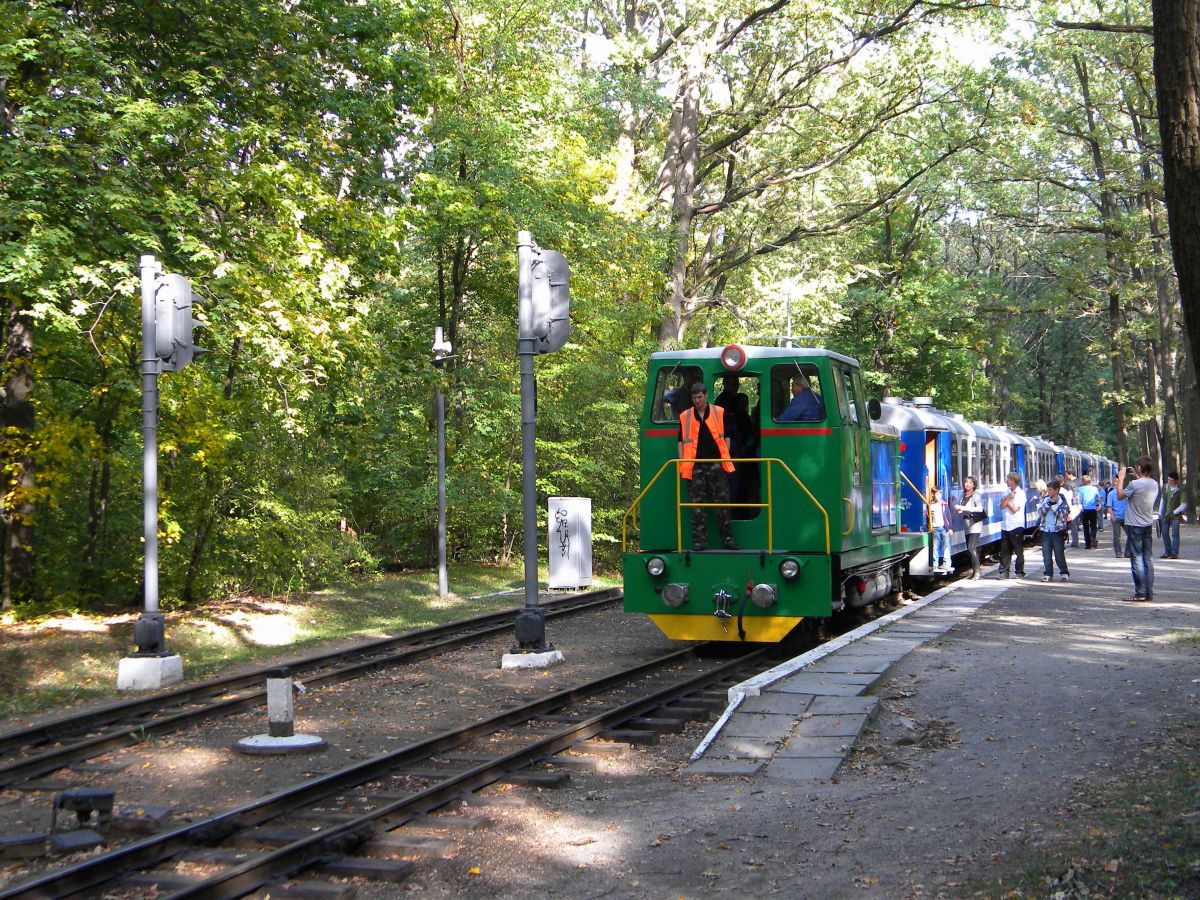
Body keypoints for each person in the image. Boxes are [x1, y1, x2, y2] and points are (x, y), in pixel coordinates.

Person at [677, 382, 738, 551]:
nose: (697, 400)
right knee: (697, 506)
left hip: (716, 464)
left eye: (699, 397)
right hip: (694, 466)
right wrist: (683, 463)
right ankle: (699, 542)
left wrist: (725, 457)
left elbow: (727, 436)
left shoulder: (719, 412)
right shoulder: (685, 416)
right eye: (694, 397)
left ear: (706, 396)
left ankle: (728, 540)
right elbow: (681, 442)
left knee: (723, 503)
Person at [1117, 457, 1159, 602]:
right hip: (1147, 524)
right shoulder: (1154, 484)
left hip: (1135, 525)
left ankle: (1140, 592)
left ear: (1140, 468)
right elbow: (1142, 487)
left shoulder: (1134, 484)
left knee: (1137, 558)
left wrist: (1122, 478)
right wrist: (1135, 475)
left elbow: (1120, 495)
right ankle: (1149, 592)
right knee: (1148, 558)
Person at [1037, 478, 1071, 582]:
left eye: (1051, 490)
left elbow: (1062, 514)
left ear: (1057, 490)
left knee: (1059, 554)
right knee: (1046, 554)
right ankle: (1048, 573)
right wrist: (1049, 504)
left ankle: (1064, 573)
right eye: (1048, 490)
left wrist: (1055, 504)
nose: (1049, 492)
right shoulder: (1045, 499)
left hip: (1057, 531)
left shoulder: (1062, 501)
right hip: (1046, 530)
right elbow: (1041, 512)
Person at [954, 477, 984, 580]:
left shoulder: (976, 495)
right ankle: (974, 571)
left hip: (975, 523)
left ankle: (977, 573)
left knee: (971, 548)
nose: (967, 484)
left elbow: (980, 509)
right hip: (966, 524)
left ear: (974, 485)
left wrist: (963, 508)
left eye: (970, 483)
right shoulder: (962, 496)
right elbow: (962, 508)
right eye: (966, 482)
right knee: (969, 549)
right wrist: (959, 509)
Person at [998, 472, 1026, 579]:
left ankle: (1019, 572)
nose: (1006, 481)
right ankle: (1004, 571)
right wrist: (1008, 498)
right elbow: (1001, 506)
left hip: (1016, 524)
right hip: (1005, 525)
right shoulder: (1006, 492)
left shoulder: (1021, 493)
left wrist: (1007, 500)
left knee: (1018, 550)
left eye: (1008, 479)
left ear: (1013, 480)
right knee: (1005, 550)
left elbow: (1014, 509)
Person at [1159, 470, 1187, 559]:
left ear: (1175, 480)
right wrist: (1160, 512)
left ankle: (1174, 552)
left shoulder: (1180, 490)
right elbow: (1162, 500)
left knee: (1175, 535)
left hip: (1175, 517)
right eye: (1168, 480)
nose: (1169, 481)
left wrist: (1175, 512)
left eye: (1171, 480)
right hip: (1165, 515)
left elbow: (1184, 504)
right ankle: (1167, 551)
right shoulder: (1165, 488)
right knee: (1164, 534)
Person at [1075, 475, 1101, 549]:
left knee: (1085, 527)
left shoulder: (1080, 489)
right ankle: (1093, 538)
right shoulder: (1094, 488)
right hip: (1093, 509)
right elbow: (1098, 498)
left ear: (1083, 481)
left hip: (1084, 509)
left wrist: (1079, 506)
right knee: (1093, 525)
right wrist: (1099, 505)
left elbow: (1078, 498)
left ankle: (1088, 544)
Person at [929, 486, 951, 573]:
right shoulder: (930, 505)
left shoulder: (943, 504)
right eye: (937, 494)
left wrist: (950, 528)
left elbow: (948, 516)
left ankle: (946, 564)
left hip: (944, 528)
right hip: (935, 528)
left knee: (947, 546)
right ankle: (935, 565)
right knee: (935, 547)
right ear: (933, 495)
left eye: (940, 494)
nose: (939, 496)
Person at [1106, 478, 1128, 558]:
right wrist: (1112, 516)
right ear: (1115, 483)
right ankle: (1118, 552)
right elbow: (1109, 506)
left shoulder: (1125, 493)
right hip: (1116, 517)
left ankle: (1128, 552)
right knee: (1117, 536)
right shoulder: (1111, 494)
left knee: (1130, 535)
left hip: (1126, 517)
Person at [1061, 470, 1081, 548]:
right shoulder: (1080, 482)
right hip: (1079, 505)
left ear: (1070, 474)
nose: (1066, 477)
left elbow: (1071, 497)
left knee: (1074, 525)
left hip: (1073, 506)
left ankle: (1075, 542)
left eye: (1067, 475)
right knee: (1076, 524)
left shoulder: (1070, 484)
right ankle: (1076, 541)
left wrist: (1070, 508)